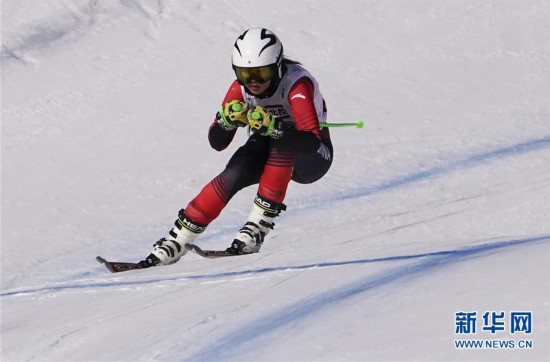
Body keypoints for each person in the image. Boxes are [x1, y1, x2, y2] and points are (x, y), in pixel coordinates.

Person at [139, 27, 333, 267]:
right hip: (274, 150)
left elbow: (311, 142)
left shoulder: (297, 84)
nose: (253, 82)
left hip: (313, 158)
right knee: (236, 168)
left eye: (261, 73)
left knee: (280, 145)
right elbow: (217, 142)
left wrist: (274, 128)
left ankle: (257, 227)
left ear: (277, 67)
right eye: (244, 73)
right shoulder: (239, 89)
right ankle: (177, 240)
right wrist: (227, 121)